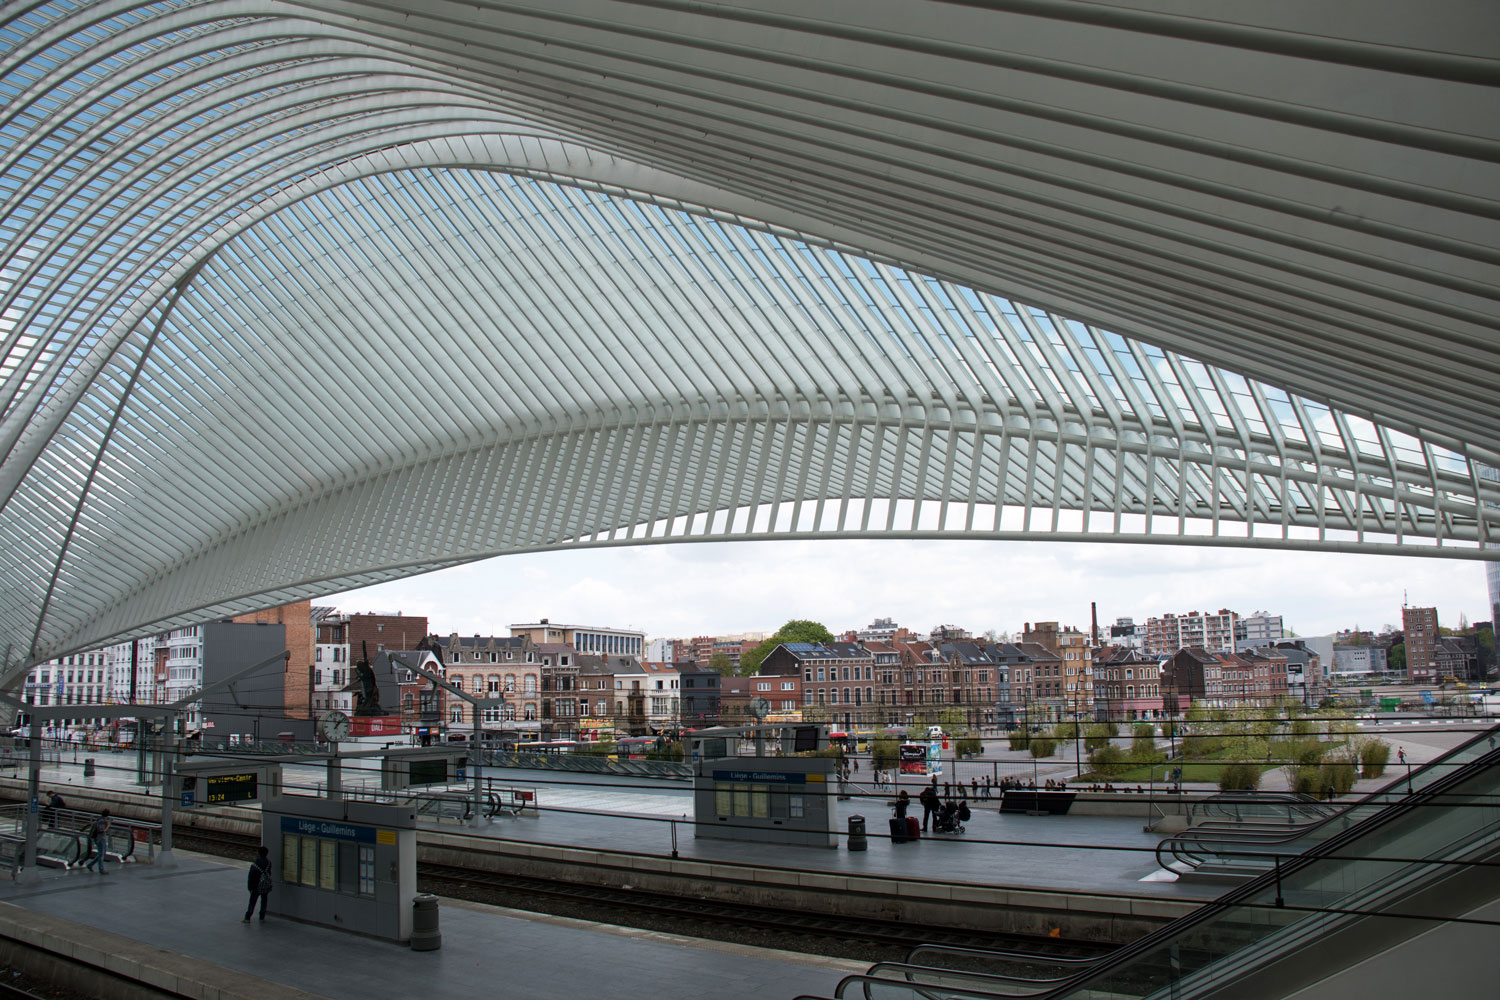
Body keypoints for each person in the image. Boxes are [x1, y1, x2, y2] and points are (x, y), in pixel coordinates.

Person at [243, 846, 273, 922]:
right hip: (265, 885)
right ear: (267, 853)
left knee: (252, 902)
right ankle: (262, 917)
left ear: (259, 853)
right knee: (264, 901)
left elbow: (250, 877)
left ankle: (247, 918)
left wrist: (250, 888)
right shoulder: (269, 863)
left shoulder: (254, 865)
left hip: (256, 886)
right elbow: (269, 873)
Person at [82, 809, 110, 874]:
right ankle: (101, 869)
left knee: (101, 854)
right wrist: (108, 826)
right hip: (100, 839)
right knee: (101, 854)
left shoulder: (99, 819)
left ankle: (90, 865)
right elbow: (102, 831)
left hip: (99, 838)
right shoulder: (102, 821)